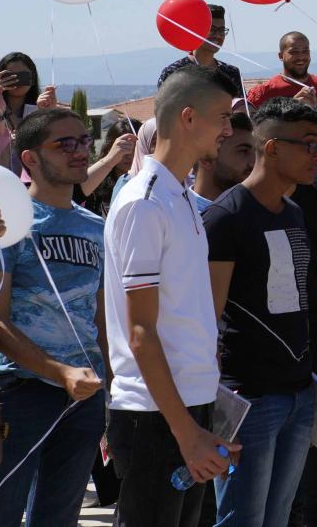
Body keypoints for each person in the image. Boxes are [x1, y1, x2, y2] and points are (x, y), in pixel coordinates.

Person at [102, 65, 240, 527]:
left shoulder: (178, 197)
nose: (228, 129)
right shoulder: (144, 202)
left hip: (183, 410)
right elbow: (141, 331)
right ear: (187, 117)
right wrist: (187, 434)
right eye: (222, 117)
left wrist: (204, 418)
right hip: (155, 415)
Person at [203, 99, 317, 527]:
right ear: (271, 148)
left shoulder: (295, 211)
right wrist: (215, 408)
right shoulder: (226, 217)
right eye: (309, 144)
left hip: (298, 392)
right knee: (241, 519)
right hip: (247, 397)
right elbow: (209, 319)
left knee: (278, 518)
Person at [0, 110, 106, 526]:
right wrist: (59, 372)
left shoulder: (96, 226)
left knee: (59, 518)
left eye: (84, 141)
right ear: (31, 159)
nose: (80, 151)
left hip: (85, 395)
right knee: (0, 513)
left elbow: (100, 316)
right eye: (65, 144)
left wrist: (105, 385)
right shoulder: (8, 225)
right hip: (22, 392)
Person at [160, 8, 244, 97]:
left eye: (222, 30)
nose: (218, 35)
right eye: (212, 29)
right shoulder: (174, 71)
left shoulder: (231, 73)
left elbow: (241, 106)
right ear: (196, 31)